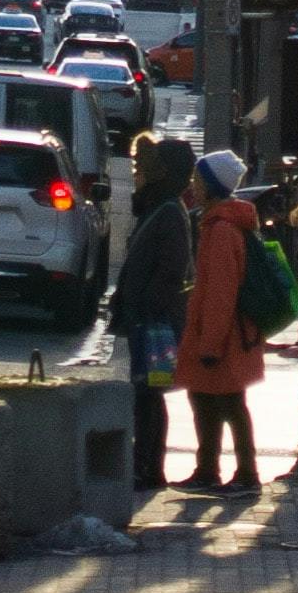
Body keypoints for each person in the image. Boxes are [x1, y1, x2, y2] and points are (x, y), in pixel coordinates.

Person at [109, 135, 196, 501]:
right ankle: (145, 464)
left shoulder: (168, 211)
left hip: (155, 321)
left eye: (142, 169)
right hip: (147, 317)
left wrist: (147, 305)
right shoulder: (157, 208)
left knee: (150, 393)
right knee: (145, 393)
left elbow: (171, 271)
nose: (136, 174)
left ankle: (149, 467)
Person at [176, 141, 266, 498]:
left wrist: (210, 343)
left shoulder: (222, 230)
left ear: (211, 186)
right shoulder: (219, 224)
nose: (193, 187)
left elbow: (220, 292)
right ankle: (210, 469)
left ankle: (243, 473)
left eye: (198, 181)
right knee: (209, 400)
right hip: (223, 332)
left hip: (222, 336)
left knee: (227, 403)